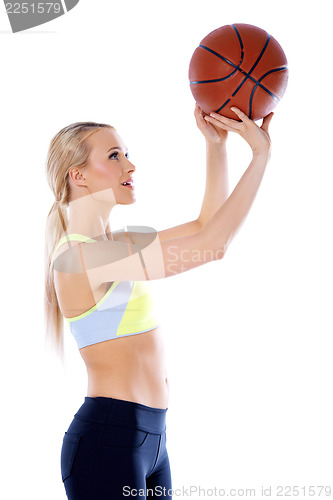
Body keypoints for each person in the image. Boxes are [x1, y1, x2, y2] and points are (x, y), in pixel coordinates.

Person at [44, 105, 273, 499]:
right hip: (109, 439)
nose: (130, 166)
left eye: (127, 154)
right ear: (77, 175)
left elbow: (205, 224)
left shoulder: (115, 246)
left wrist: (214, 145)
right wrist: (261, 156)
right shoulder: (79, 258)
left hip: (151, 439)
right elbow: (212, 246)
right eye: (114, 156)